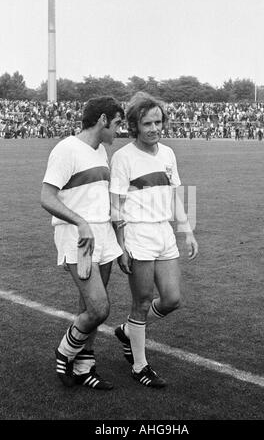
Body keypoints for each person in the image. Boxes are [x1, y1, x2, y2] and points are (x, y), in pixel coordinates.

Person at [110, 92, 198, 388]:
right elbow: (116, 205)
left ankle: (126, 330)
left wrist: (187, 230)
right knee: (143, 302)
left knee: (172, 298)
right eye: (147, 123)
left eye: (158, 122)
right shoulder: (123, 157)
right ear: (134, 125)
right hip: (137, 233)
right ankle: (139, 366)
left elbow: (174, 196)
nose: (154, 128)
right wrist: (121, 245)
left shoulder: (168, 154)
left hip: (164, 233)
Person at [41, 96, 124, 390]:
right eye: (116, 124)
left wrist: (117, 241)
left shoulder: (101, 151)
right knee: (100, 309)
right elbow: (47, 197)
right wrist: (81, 223)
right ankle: (65, 351)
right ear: (102, 120)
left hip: (103, 236)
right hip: (79, 237)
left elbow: (101, 199)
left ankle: (84, 366)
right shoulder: (66, 149)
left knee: (87, 305)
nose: (118, 131)